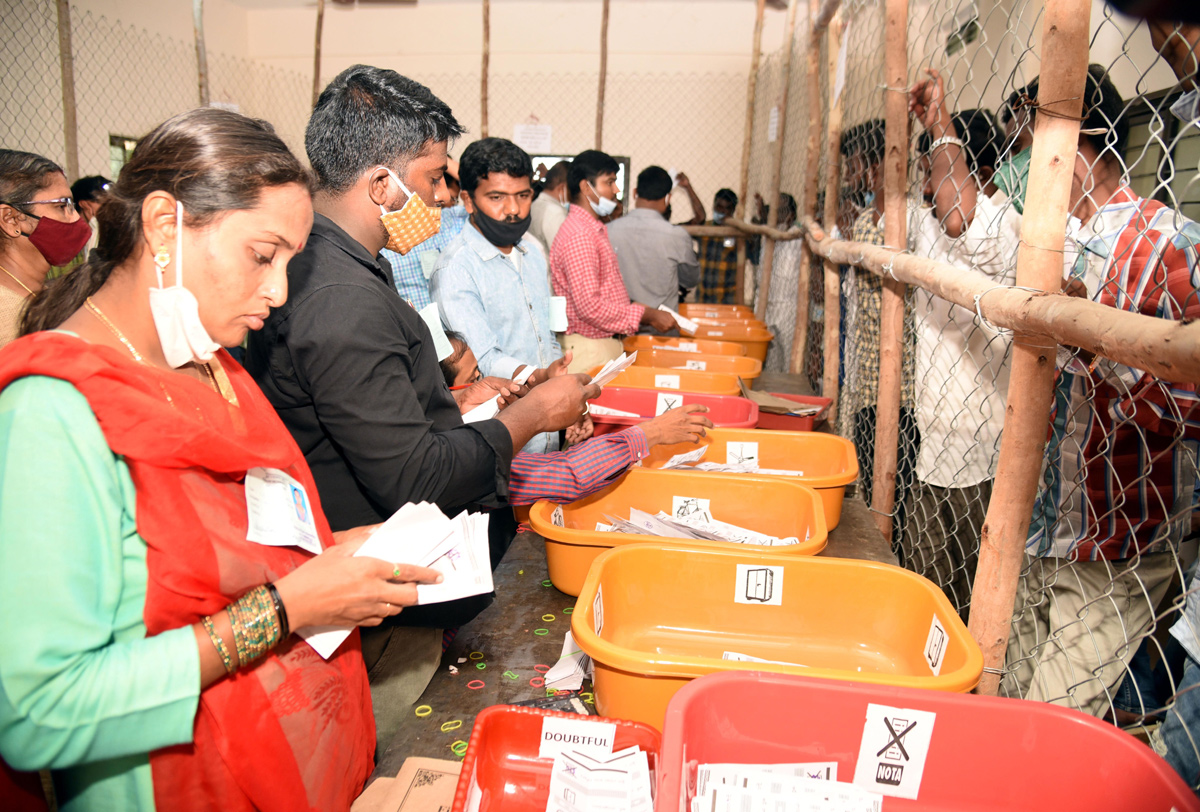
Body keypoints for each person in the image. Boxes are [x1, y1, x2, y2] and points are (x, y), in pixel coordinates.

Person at [0, 107, 445, 811]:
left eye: (291, 264)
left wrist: (327, 556)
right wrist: (288, 606)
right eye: (262, 256)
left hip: (298, 756)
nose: (279, 291)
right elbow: (40, 715)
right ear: (162, 225)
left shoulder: (213, 368)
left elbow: (234, 546)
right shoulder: (52, 415)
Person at [246, 66, 596, 747]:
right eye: (435, 179)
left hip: (395, 583)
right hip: (376, 604)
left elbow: (370, 414)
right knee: (384, 752)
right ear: (383, 184)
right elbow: (410, 475)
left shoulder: (345, 266)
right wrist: (529, 418)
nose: (444, 197)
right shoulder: (338, 295)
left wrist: (458, 400)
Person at [969, 66, 1200, 720]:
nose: (1016, 166)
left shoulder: (1166, 244)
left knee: (1049, 718)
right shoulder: (1045, 247)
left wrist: (1097, 348)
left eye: (1025, 146)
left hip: (1120, 539)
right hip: (1046, 525)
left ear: (1076, 148)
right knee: (1003, 689)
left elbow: (1192, 407)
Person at [904, 76, 1010, 618]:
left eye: (941, 168)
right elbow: (928, 207)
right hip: (935, 434)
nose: (930, 183)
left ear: (982, 173)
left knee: (971, 590)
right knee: (926, 585)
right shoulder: (925, 226)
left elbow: (958, 214)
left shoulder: (1002, 226)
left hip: (983, 444)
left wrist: (940, 124)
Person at [438, 333, 716, 504]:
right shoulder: (458, 459)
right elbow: (565, 474)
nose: (484, 386)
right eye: (474, 379)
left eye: (481, 376)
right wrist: (652, 432)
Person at [430, 137, 568, 454]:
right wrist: (542, 378)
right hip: (501, 437)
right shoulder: (455, 269)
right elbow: (483, 360)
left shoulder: (533, 251)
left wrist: (561, 388)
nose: (514, 210)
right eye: (497, 197)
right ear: (467, 200)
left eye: (523, 196)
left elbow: (547, 336)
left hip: (550, 427)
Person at [837, 119, 920, 547]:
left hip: (898, 383)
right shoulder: (870, 212)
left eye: (853, 164)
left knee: (893, 491)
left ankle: (889, 550)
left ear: (874, 166)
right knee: (871, 476)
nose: (848, 174)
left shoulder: (905, 218)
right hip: (867, 373)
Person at [550, 149, 674, 372]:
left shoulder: (591, 229)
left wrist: (631, 306)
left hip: (599, 346)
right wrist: (646, 315)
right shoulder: (580, 235)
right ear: (586, 187)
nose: (616, 190)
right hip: (590, 350)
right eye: (609, 182)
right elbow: (589, 306)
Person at [0, 151, 91, 347]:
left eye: (72, 205)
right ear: (11, 219)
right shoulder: (6, 318)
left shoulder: (42, 294)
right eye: (61, 206)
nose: (75, 218)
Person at [606, 165, 700, 332]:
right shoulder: (677, 236)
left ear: (635, 193)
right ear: (668, 198)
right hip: (661, 332)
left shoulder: (608, 230)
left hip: (620, 329)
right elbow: (690, 280)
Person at [382, 160, 468, 309]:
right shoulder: (385, 237)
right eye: (433, 180)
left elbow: (486, 190)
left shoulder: (453, 221)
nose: (445, 197)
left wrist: (439, 159)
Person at [756, 192, 804, 373]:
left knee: (789, 355)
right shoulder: (767, 234)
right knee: (770, 357)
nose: (776, 214)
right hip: (767, 303)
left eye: (781, 210)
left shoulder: (797, 236)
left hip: (789, 305)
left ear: (791, 213)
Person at [694, 188, 741, 303]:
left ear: (733, 210)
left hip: (726, 298)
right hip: (703, 295)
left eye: (727, 208)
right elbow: (699, 216)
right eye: (719, 207)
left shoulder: (737, 232)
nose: (722, 212)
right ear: (713, 206)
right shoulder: (705, 228)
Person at [529, 159, 570, 257]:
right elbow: (561, 254)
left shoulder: (535, 204)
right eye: (572, 189)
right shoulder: (555, 212)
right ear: (562, 188)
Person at [70, 174, 111, 262]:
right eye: (104, 204)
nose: (111, 209)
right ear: (85, 205)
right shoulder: (69, 241)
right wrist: (96, 228)